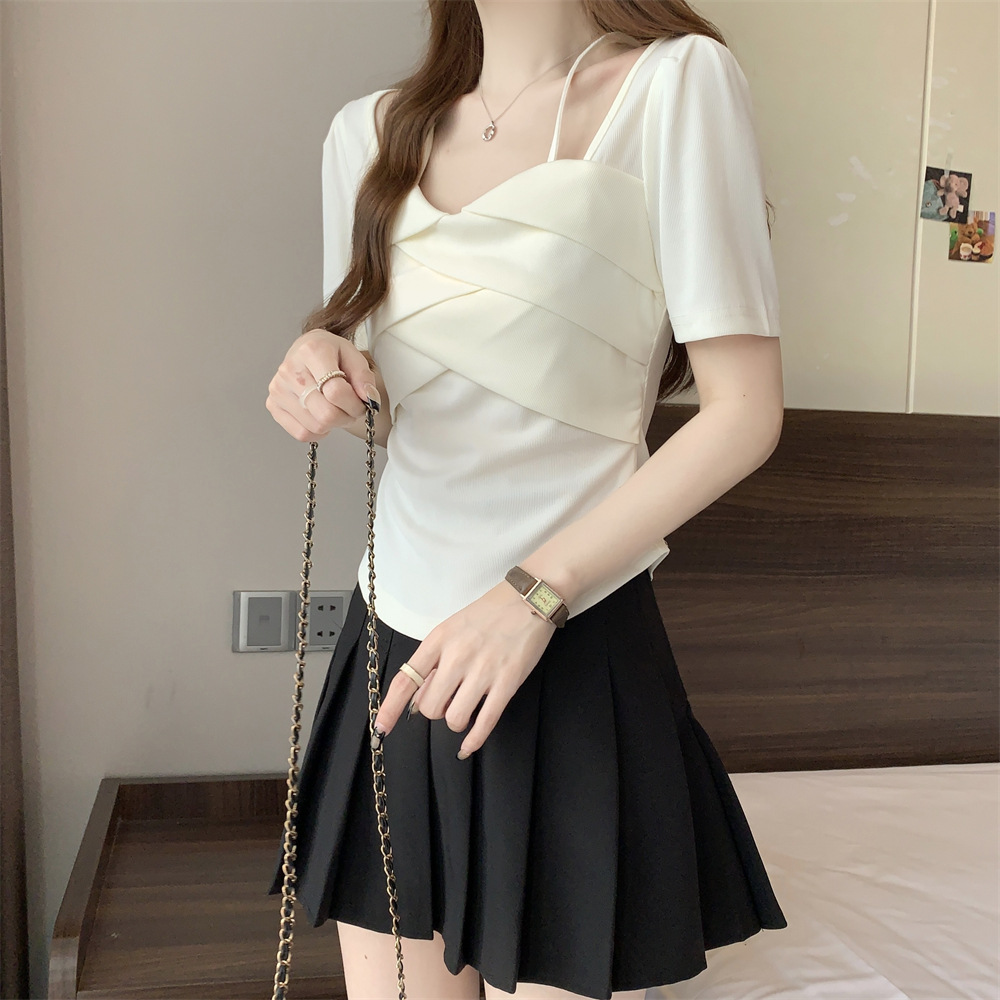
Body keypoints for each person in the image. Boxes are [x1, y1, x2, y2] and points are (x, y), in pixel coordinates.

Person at [265, 1, 788, 997]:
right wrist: (320, 369)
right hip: (395, 654)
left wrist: (533, 595)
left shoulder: (676, 84)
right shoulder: (364, 134)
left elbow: (744, 413)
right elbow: (392, 416)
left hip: (570, 638)